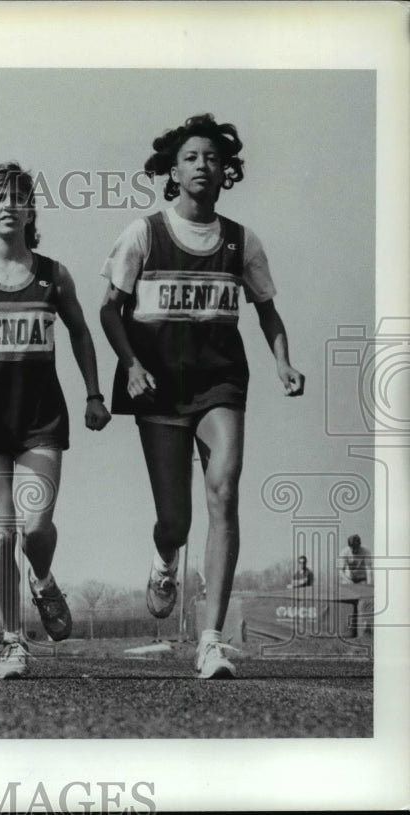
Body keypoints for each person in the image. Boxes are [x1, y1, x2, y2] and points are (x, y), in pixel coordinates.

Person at [99, 114, 305, 680]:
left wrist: (283, 362)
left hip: (220, 384)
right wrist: (131, 364)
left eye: (212, 158)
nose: (202, 166)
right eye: (191, 157)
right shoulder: (143, 233)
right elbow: (107, 310)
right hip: (159, 388)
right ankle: (167, 560)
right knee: (177, 521)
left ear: (226, 171)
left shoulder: (242, 240)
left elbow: (266, 310)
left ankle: (210, 640)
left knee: (224, 489)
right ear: (173, 167)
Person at [0, 161, 111, 679]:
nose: (9, 205)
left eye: (19, 197)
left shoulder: (54, 273)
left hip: (39, 417)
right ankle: (13, 640)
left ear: (31, 210)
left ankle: (44, 577)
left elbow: (79, 332)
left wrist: (95, 393)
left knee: (35, 526)